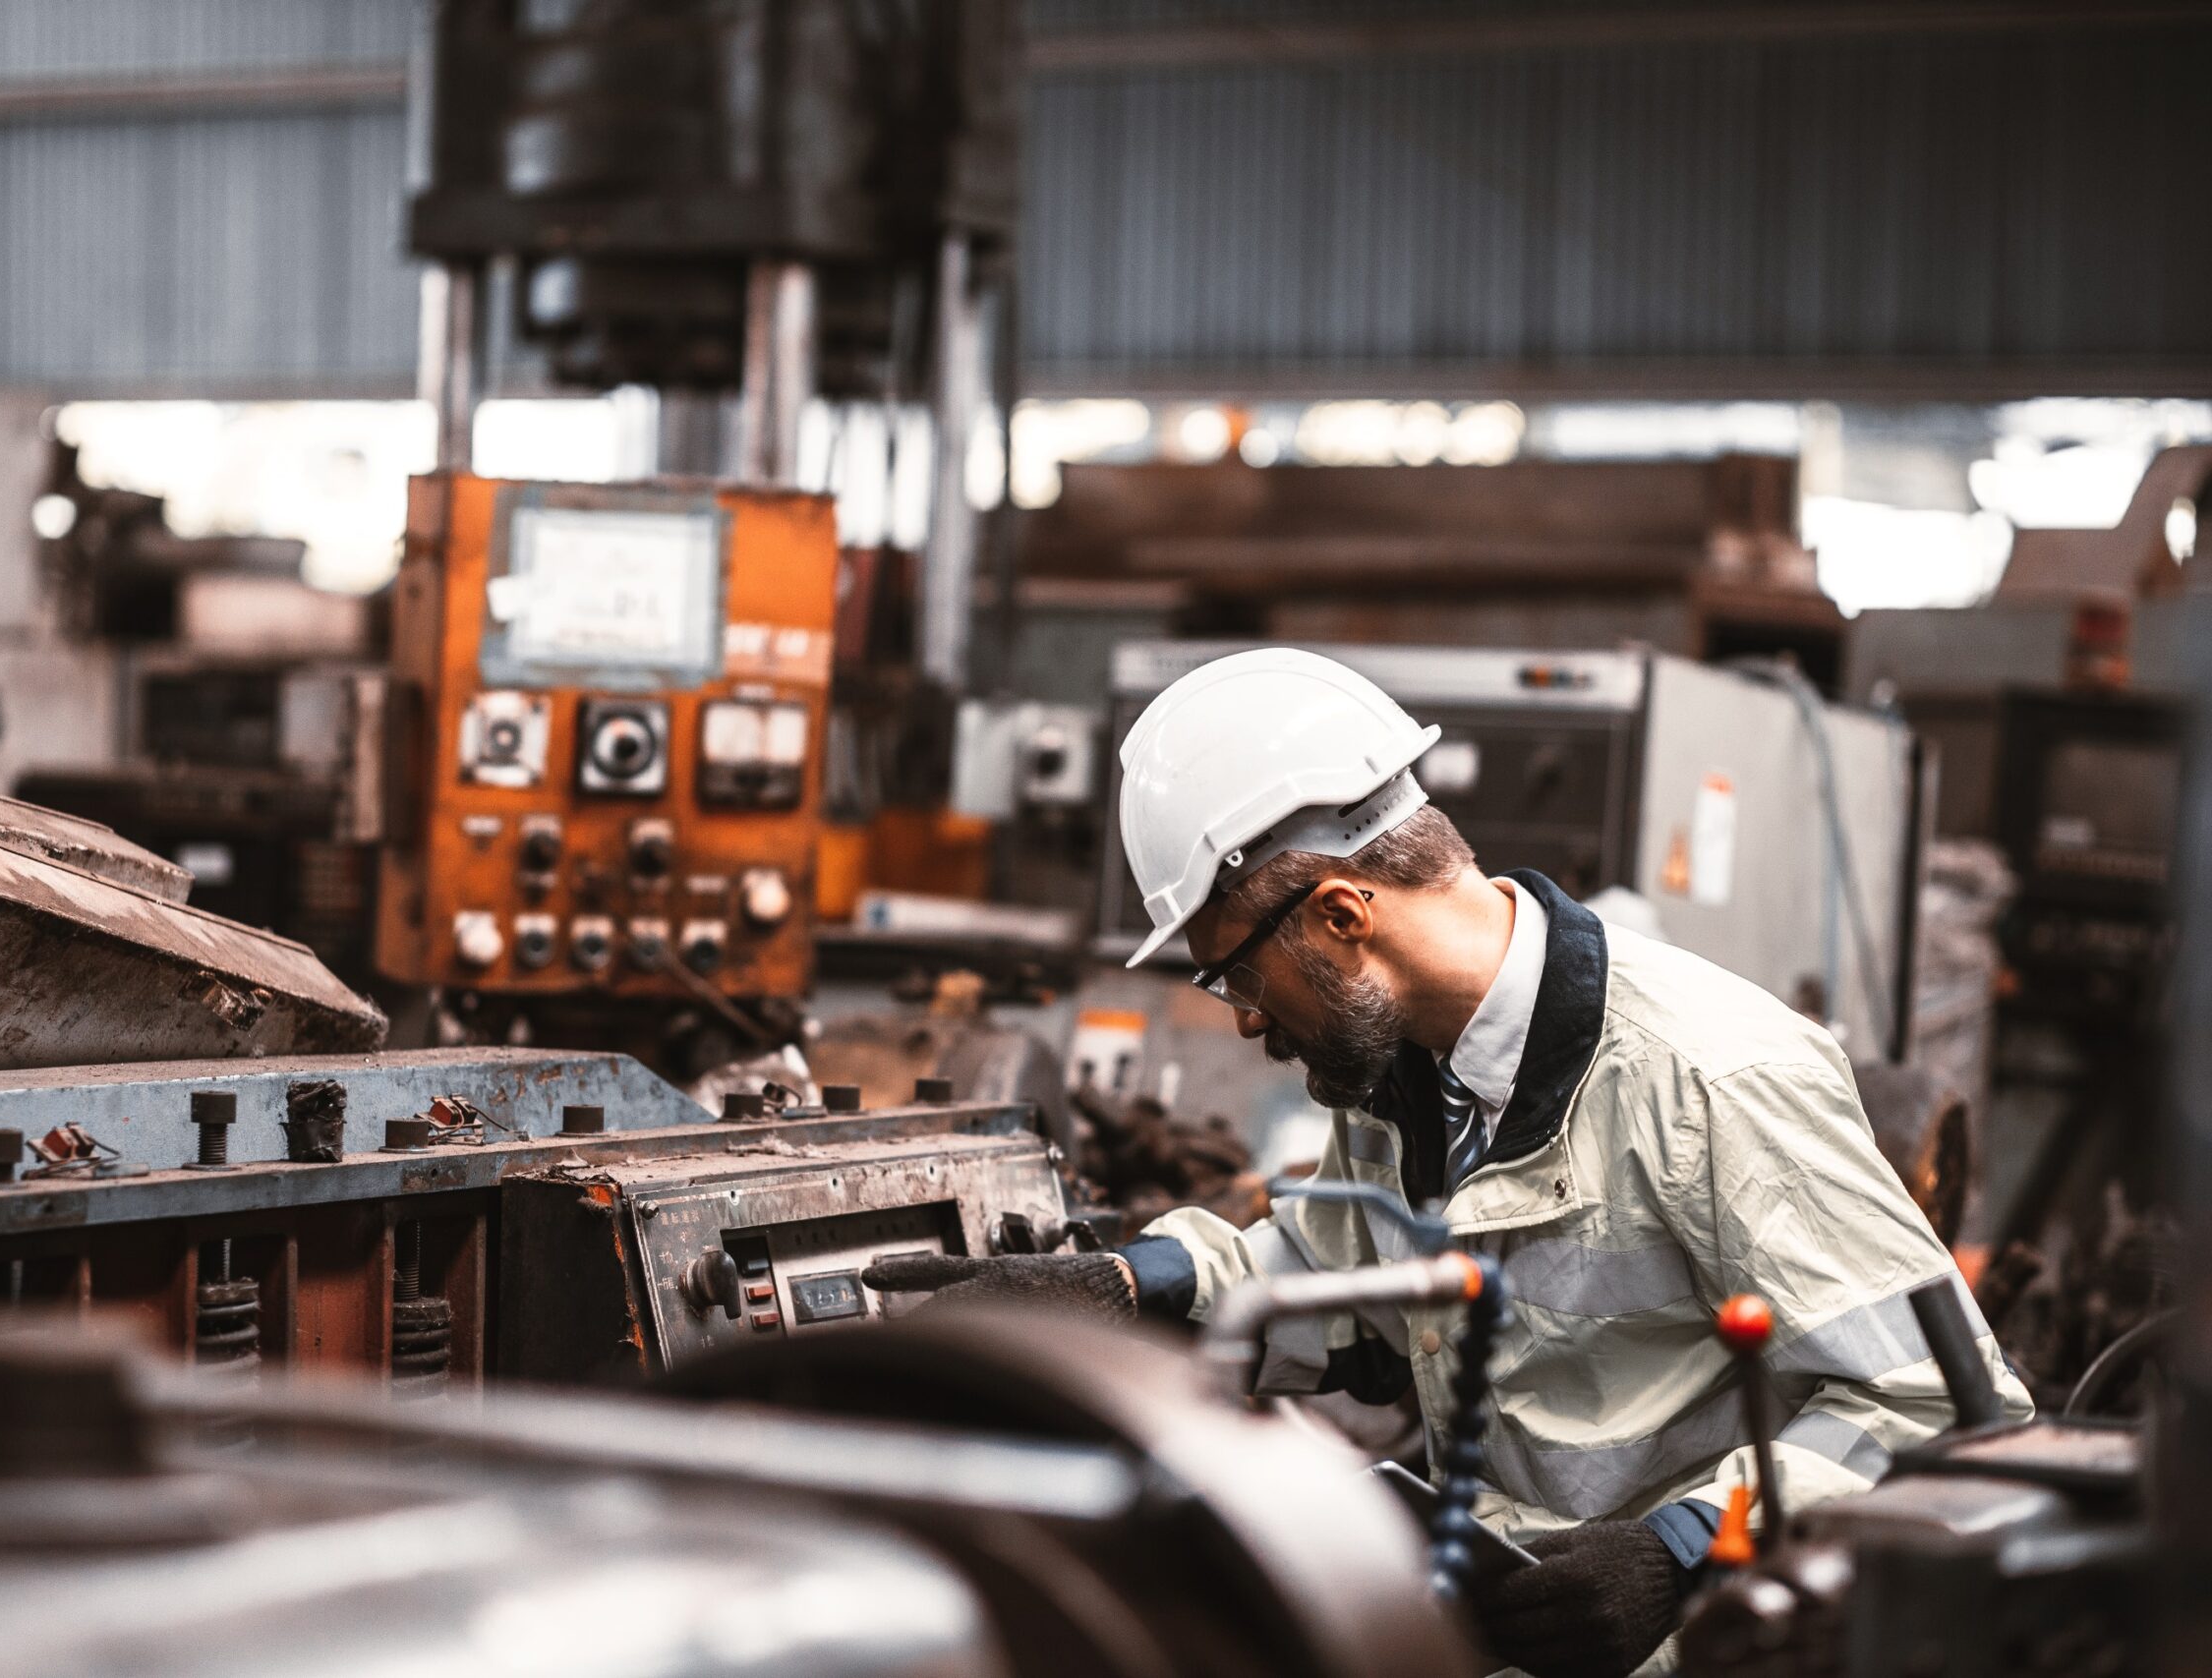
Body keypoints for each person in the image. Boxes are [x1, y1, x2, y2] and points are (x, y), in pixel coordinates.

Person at [866, 647, 2029, 1678]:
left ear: (1338, 914)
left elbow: (1934, 1409)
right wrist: (1131, 1287)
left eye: (1230, 975)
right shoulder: (1403, 1069)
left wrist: (1686, 1553)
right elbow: (1349, 1273)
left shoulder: (1709, 1075)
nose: (1240, 1023)